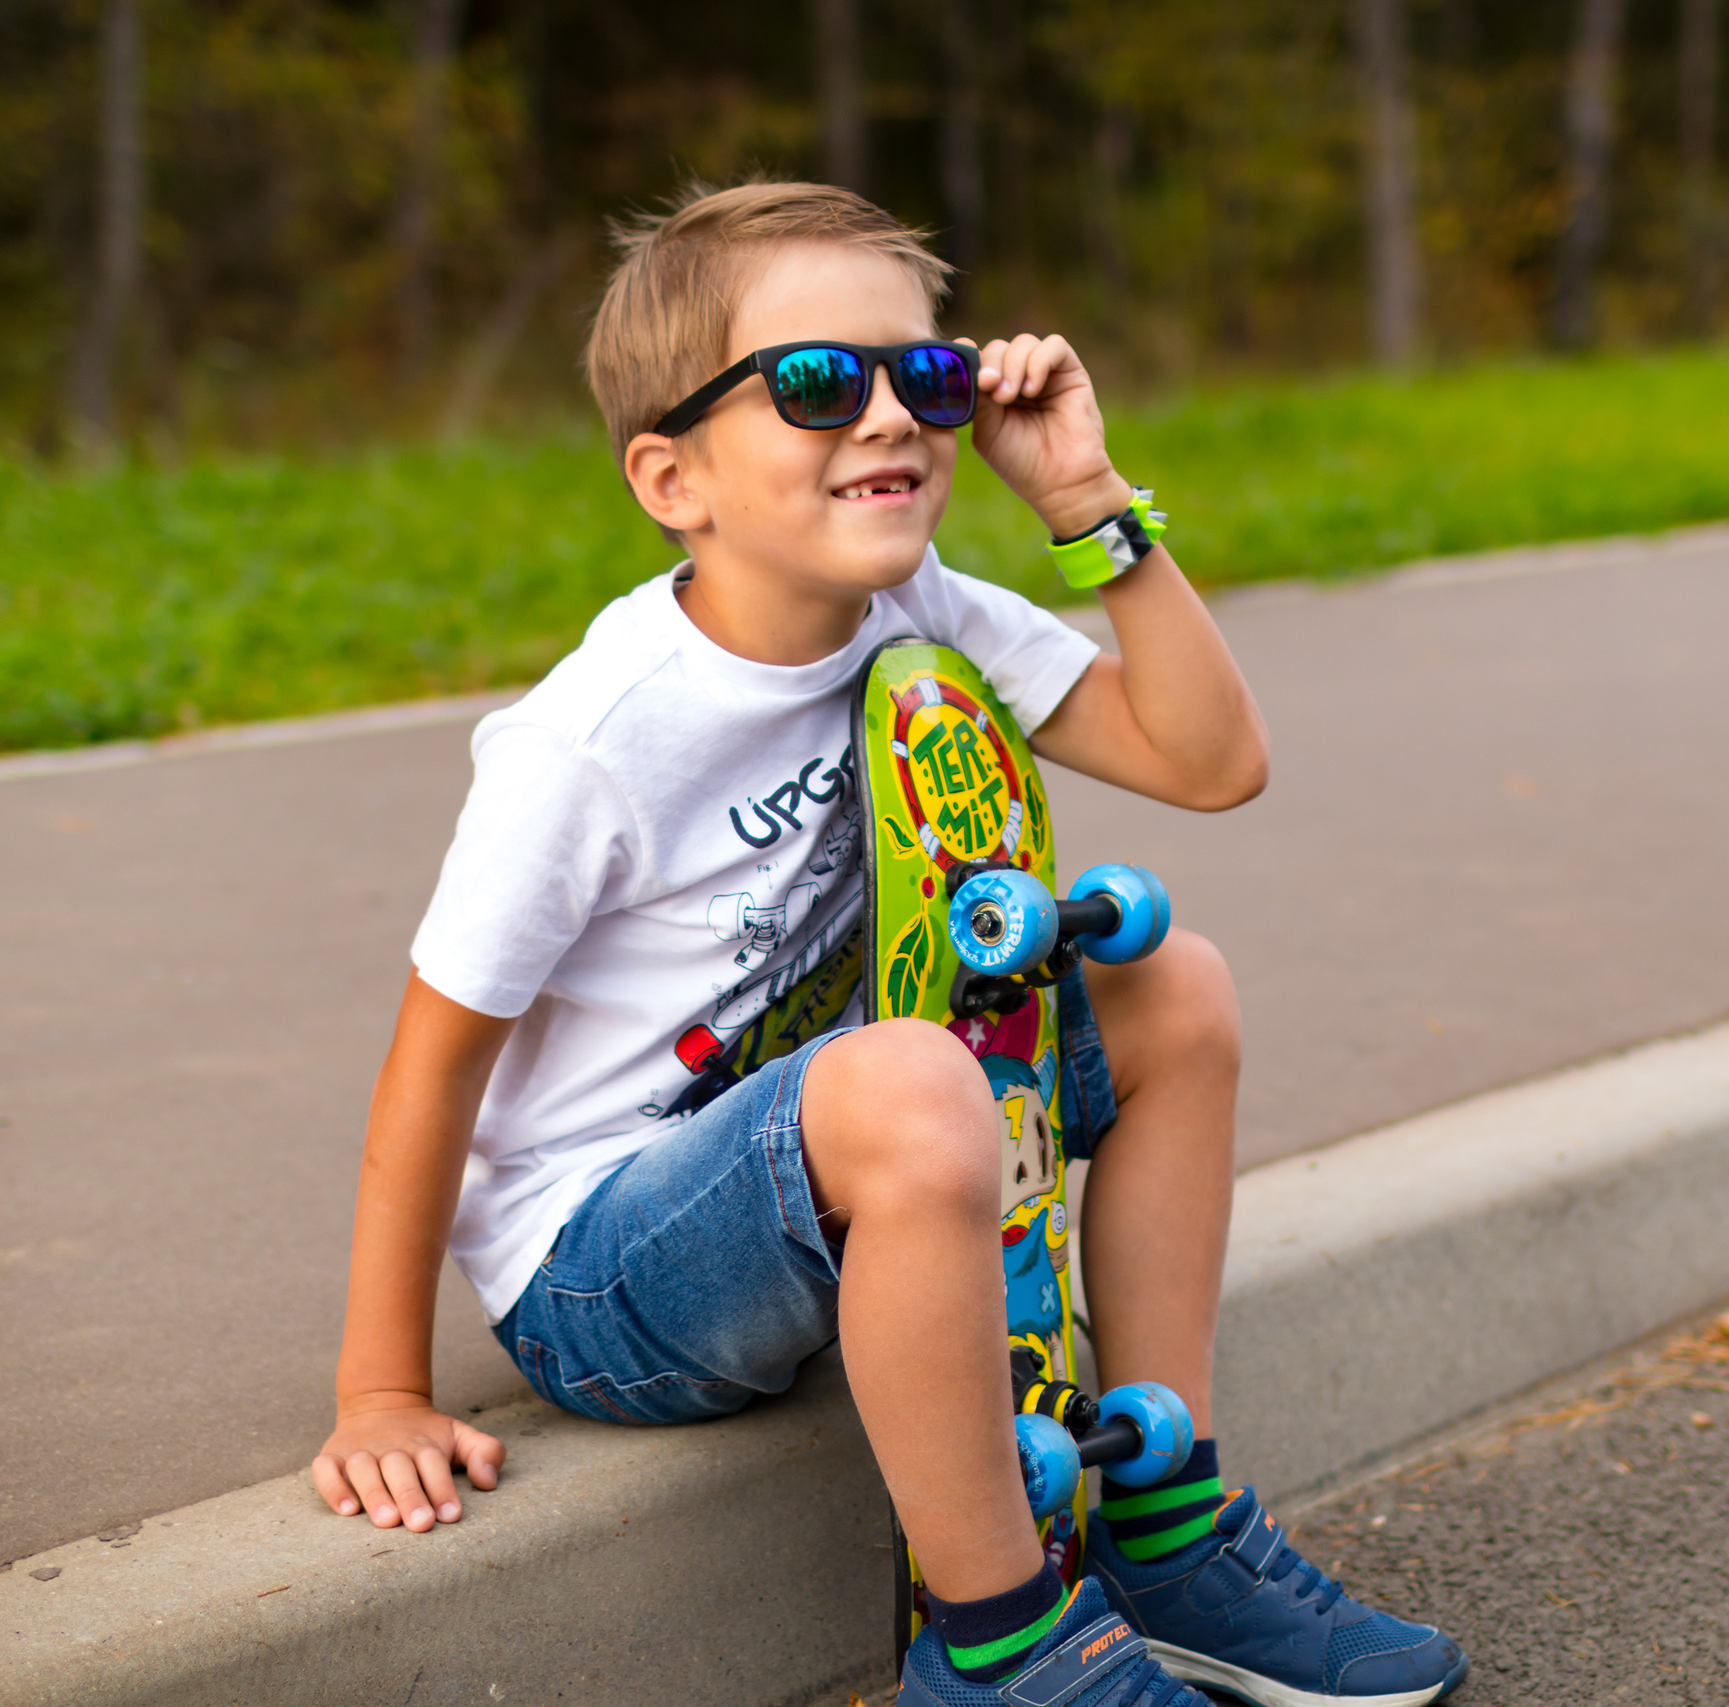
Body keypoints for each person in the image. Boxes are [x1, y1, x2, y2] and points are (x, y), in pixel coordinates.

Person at [308, 180, 1469, 1707]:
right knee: (914, 1081)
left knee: (1169, 986)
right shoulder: (595, 739)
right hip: (605, 1270)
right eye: (813, 382)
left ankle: (1164, 1528)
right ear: (672, 476)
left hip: (840, 1157)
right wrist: (380, 1390)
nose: (890, 417)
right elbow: (433, 1059)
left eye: (923, 373)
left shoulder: (917, 605)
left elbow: (1208, 759)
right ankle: (995, 1647)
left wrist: (1085, 500)